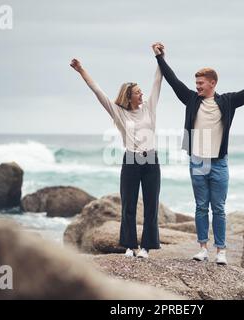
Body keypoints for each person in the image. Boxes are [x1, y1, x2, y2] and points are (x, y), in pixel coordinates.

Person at [152, 42, 244, 264]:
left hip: (219, 163)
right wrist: (160, 57)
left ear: (212, 83)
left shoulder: (227, 101)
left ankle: (221, 251)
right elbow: (172, 80)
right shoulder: (190, 99)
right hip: (197, 161)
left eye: (200, 83)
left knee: (218, 207)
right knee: (200, 207)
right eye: (196, 83)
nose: (197, 86)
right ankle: (202, 249)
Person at [70, 46, 164, 258]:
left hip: (151, 159)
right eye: (138, 92)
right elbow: (97, 91)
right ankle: (130, 246)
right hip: (130, 160)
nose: (142, 94)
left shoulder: (149, 108)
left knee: (151, 206)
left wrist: (160, 58)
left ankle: (146, 248)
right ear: (129, 96)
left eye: (141, 91)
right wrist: (81, 70)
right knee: (128, 206)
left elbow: (158, 82)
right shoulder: (118, 112)